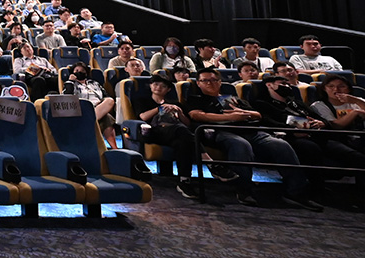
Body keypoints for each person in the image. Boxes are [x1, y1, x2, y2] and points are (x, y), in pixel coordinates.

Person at [184, 70, 318, 210]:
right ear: (198, 83)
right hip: (221, 131)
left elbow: (257, 115)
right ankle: (244, 190)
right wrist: (230, 117)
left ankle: (296, 192)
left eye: (213, 80)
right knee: (241, 145)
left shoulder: (233, 98)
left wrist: (244, 113)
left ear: (220, 82)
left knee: (280, 145)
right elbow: (196, 115)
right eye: (205, 80)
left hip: (249, 130)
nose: (210, 83)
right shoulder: (196, 99)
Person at [131, 73, 200, 198]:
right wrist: (160, 108)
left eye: (163, 86)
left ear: (168, 90)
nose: (158, 87)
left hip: (175, 134)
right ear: (150, 85)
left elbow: (187, 123)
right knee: (182, 130)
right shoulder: (142, 100)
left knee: (182, 142)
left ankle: (184, 180)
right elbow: (143, 117)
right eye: (156, 84)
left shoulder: (175, 103)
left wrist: (179, 112)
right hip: (155, 132)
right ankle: (207, 159)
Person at [62, 63, 117, 149]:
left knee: (109, 101)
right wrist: (71, 81)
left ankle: (114, 148)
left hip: (99, 107)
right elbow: (66, 97)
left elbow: (105, 95)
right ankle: (114, 147)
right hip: (83, 108)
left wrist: (100, 103)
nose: (80, 72)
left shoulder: (94, 83)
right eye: (77, 70)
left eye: (82, 70)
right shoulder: (71, 84)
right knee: (106, 118)